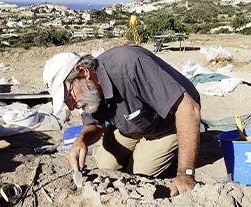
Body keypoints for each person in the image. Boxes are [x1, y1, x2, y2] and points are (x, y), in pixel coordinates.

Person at [43, 45, 201, 196]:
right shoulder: (90, 88)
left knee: (138, 173)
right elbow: (95, 124)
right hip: (131, 126)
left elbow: (188, 109)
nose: (70, 106)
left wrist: (185, 173)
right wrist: (81, 141)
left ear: (83, 72)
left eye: (69, 96)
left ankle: (179, 152)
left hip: (166, 125)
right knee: (105, 168)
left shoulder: (131, 65)